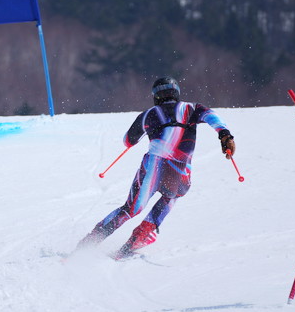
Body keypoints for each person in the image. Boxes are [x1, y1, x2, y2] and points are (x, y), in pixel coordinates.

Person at [76, 77, 236, 259]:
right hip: (180, 172)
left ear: (156, 96)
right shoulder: (192, 108)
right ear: (176, 93)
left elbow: (128, 140)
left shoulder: (148, 114)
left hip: (153, 167)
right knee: (172, 196)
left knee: (131, 209)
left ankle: (89, 243)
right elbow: (212, 117)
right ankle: (141, 235)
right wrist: (225, 135)